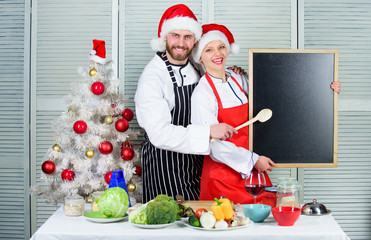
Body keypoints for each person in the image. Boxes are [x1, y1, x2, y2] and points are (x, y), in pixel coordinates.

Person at [135, 5, 240, 203]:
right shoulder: (152, 78)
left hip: (198, 164)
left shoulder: (195, 64)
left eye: (188, 37)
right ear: (165, 37)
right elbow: (159, 133)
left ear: (195, 41)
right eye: (175, 35)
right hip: (165, 168)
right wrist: (208, 131)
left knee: (198, 222)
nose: (181, 43)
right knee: (170, 226)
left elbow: (216, 73)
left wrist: (234, 72)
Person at [191, 24, 277, 204]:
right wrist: (253, 160)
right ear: (200, 57)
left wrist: (327, 88)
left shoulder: (239, 79)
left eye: (221, 47)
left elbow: (275, 92)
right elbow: (213, 146)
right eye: (209, 50)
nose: (217, 54)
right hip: (222, 178)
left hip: (252, 174)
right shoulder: (202, 93)